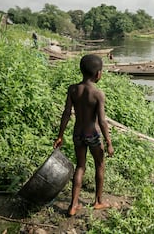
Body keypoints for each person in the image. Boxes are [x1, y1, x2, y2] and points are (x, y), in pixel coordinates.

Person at [53, 54, 114, 216]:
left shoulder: (73, 89)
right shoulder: (98, 94)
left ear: (81, 70)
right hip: (92, 134)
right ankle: (98, 201)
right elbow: (101, 121)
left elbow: (66, 113)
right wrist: (108, 142)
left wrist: (60, 136)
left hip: (77, 134)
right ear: (98, 74)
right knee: (100, 164)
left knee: (80, 166)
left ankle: (73, 205)